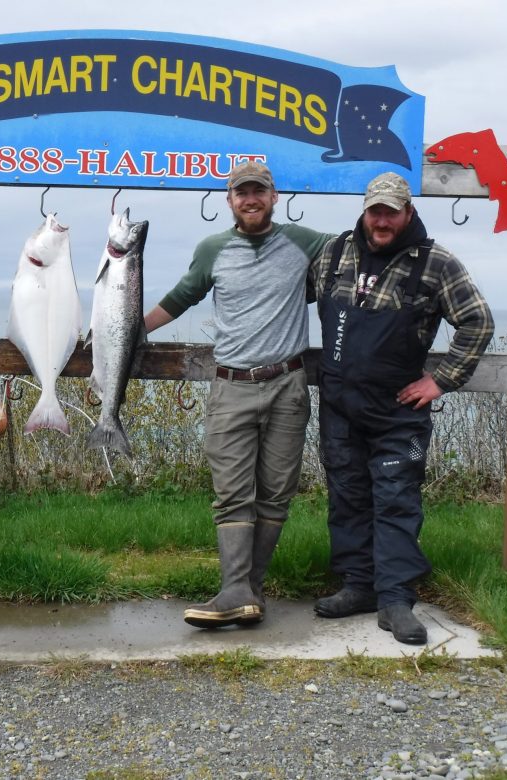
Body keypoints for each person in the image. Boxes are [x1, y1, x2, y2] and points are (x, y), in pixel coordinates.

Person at [144, 160, 333, 629]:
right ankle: (236, 590)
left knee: (275, 495)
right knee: (231, 494)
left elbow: (362, 255)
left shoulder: (306, 243)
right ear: (228, 201)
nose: (251, 199)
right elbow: (181, 296)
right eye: (241, 193)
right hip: (231, 386)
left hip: (288, 385)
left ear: (275, 197)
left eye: (259, 192)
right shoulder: (212, 249)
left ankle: (249, 592)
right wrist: (126, 332)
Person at [312, 172, 494, 645]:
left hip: (397, 409)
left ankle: (395, 598)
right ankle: (358, 586)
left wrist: (441, 380)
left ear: (408, 212)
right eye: (376, 210)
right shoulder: (334, 253)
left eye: (392, 211)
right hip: (338, 405)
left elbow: (477, 322)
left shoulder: (436, 264)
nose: (382, 220)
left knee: (395, 500)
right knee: (346, 495)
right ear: (365, 211)